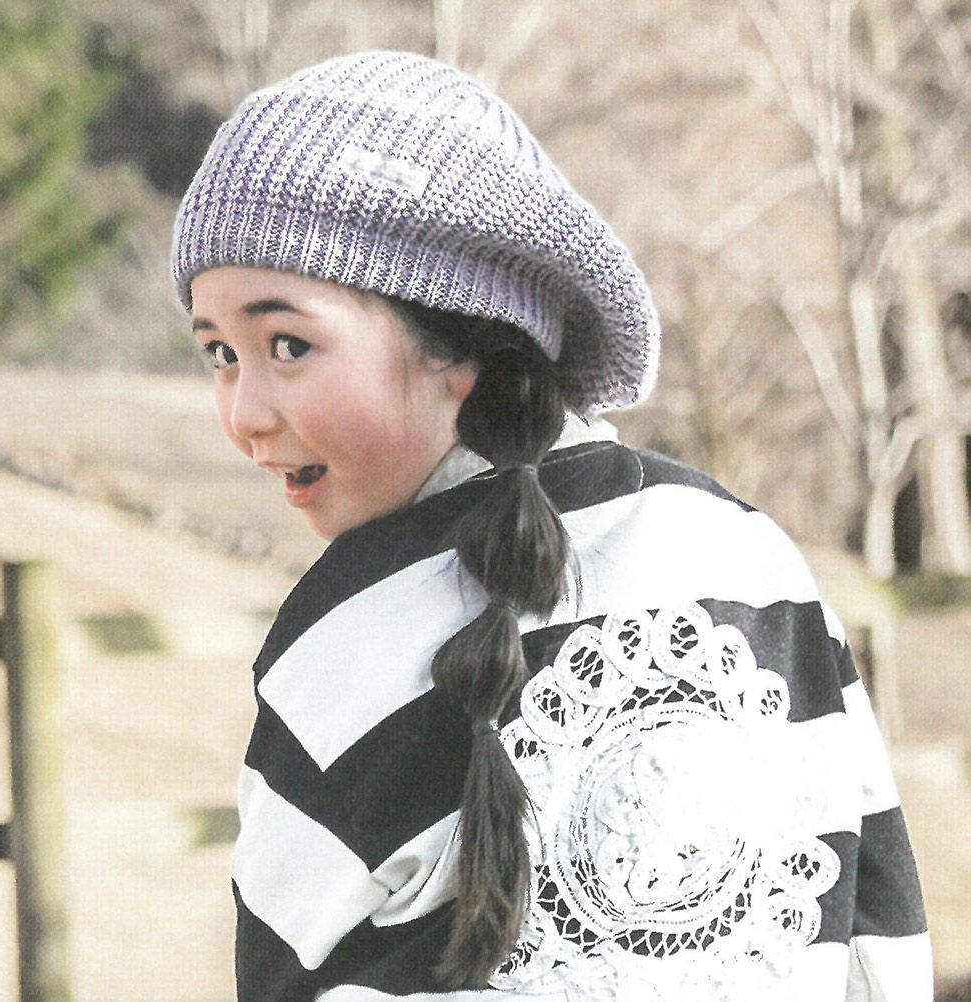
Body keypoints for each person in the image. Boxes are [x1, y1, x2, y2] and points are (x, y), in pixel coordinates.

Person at [170, 49, 931, 1002]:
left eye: (288, 344)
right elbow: (879, 949)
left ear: (456, 340)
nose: (244, 415)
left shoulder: (343, 642)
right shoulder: (747, 554)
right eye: (219, 353)